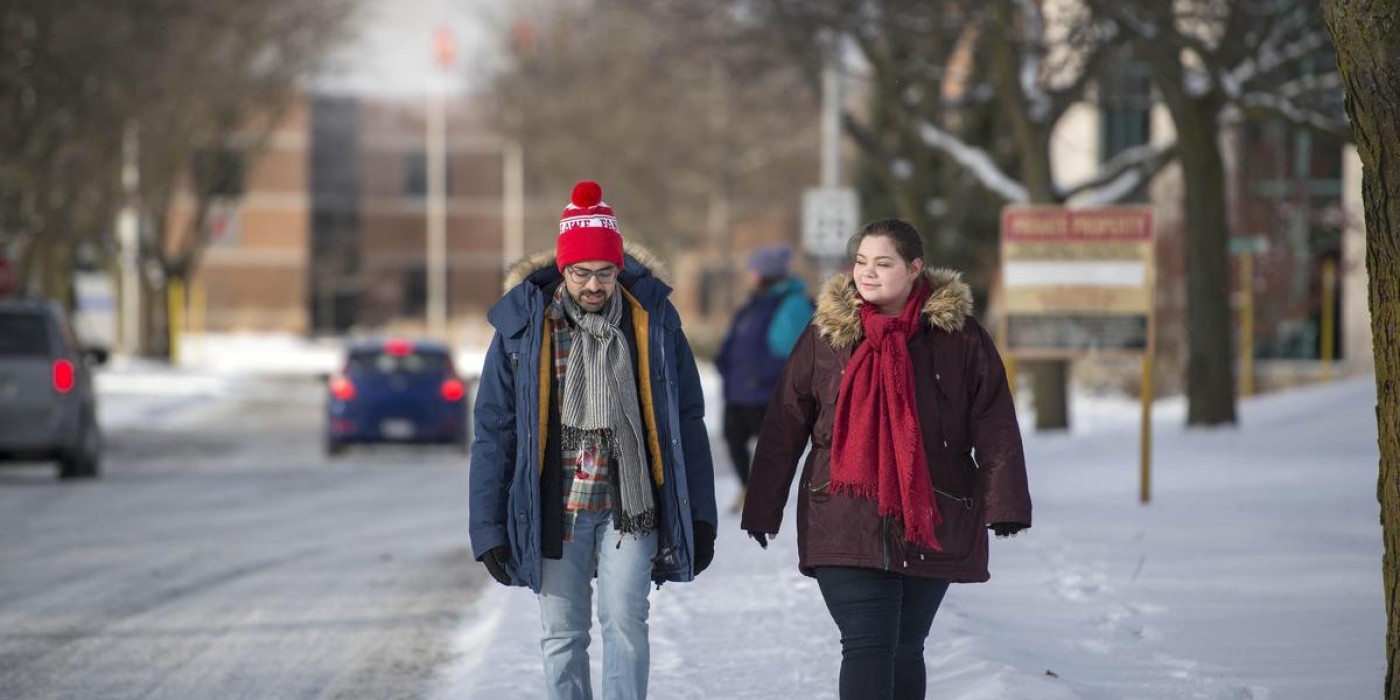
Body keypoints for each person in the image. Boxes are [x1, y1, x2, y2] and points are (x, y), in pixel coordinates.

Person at [740, 218, 1031, 700]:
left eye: (882, 263)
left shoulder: (959, 338)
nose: (867, 274)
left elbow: (994, 422)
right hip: (842, 511)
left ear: (915, 268)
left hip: (931, 513)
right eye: (860, 263)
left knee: (905, 647)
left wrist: (1006, 504)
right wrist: (763, 507)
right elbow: (784, 424)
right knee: (868, 644)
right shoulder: (826, 336)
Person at [469, 181, 718, 700]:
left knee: (625, 624)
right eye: (581, 273)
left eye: (605, 273)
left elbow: (686, 420)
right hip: (554, 506)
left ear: (618, 269)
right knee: (562, 636)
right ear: (563, 270)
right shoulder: (524, 329)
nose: (594, 285)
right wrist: (488, 526)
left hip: (630, 505)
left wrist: (702, 516)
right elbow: (495, 430)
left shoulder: (652, 321)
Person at [714, 244, 814, 511]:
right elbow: (733, 343)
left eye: (754, 270)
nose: (750, 275)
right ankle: (748, 488)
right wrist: (723, 364)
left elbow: (799, 350)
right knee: (733, 439)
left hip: (767, 391)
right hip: (739, 391)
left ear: (767, 273)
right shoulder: (752, 305)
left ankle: (760, 495)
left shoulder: (792, 305)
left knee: (769, 448)